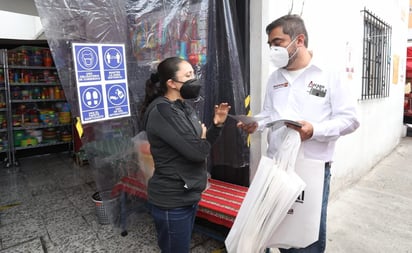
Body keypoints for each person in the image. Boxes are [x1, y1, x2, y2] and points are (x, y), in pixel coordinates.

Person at [237, 14, 360, 253]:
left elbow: (351, 120)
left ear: (299, 40)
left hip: (310, 168)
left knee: (306, 237)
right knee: (279, 230)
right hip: (277, 166)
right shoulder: (275, 77)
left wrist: (315, 130)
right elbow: (271, 113)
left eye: (278, 42)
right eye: (270, 44)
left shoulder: (329, 74)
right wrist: (257, 124)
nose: (272, 49)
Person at [140, 56, 231, 253]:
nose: (194, 79)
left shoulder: (183, 107)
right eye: (188, 75)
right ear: (171, 83)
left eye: (194, 73)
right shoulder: (163, 112)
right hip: (172, 200)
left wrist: (217, 125)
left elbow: (200, 146)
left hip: (188, 194)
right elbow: (198, 152)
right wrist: (202, 137)